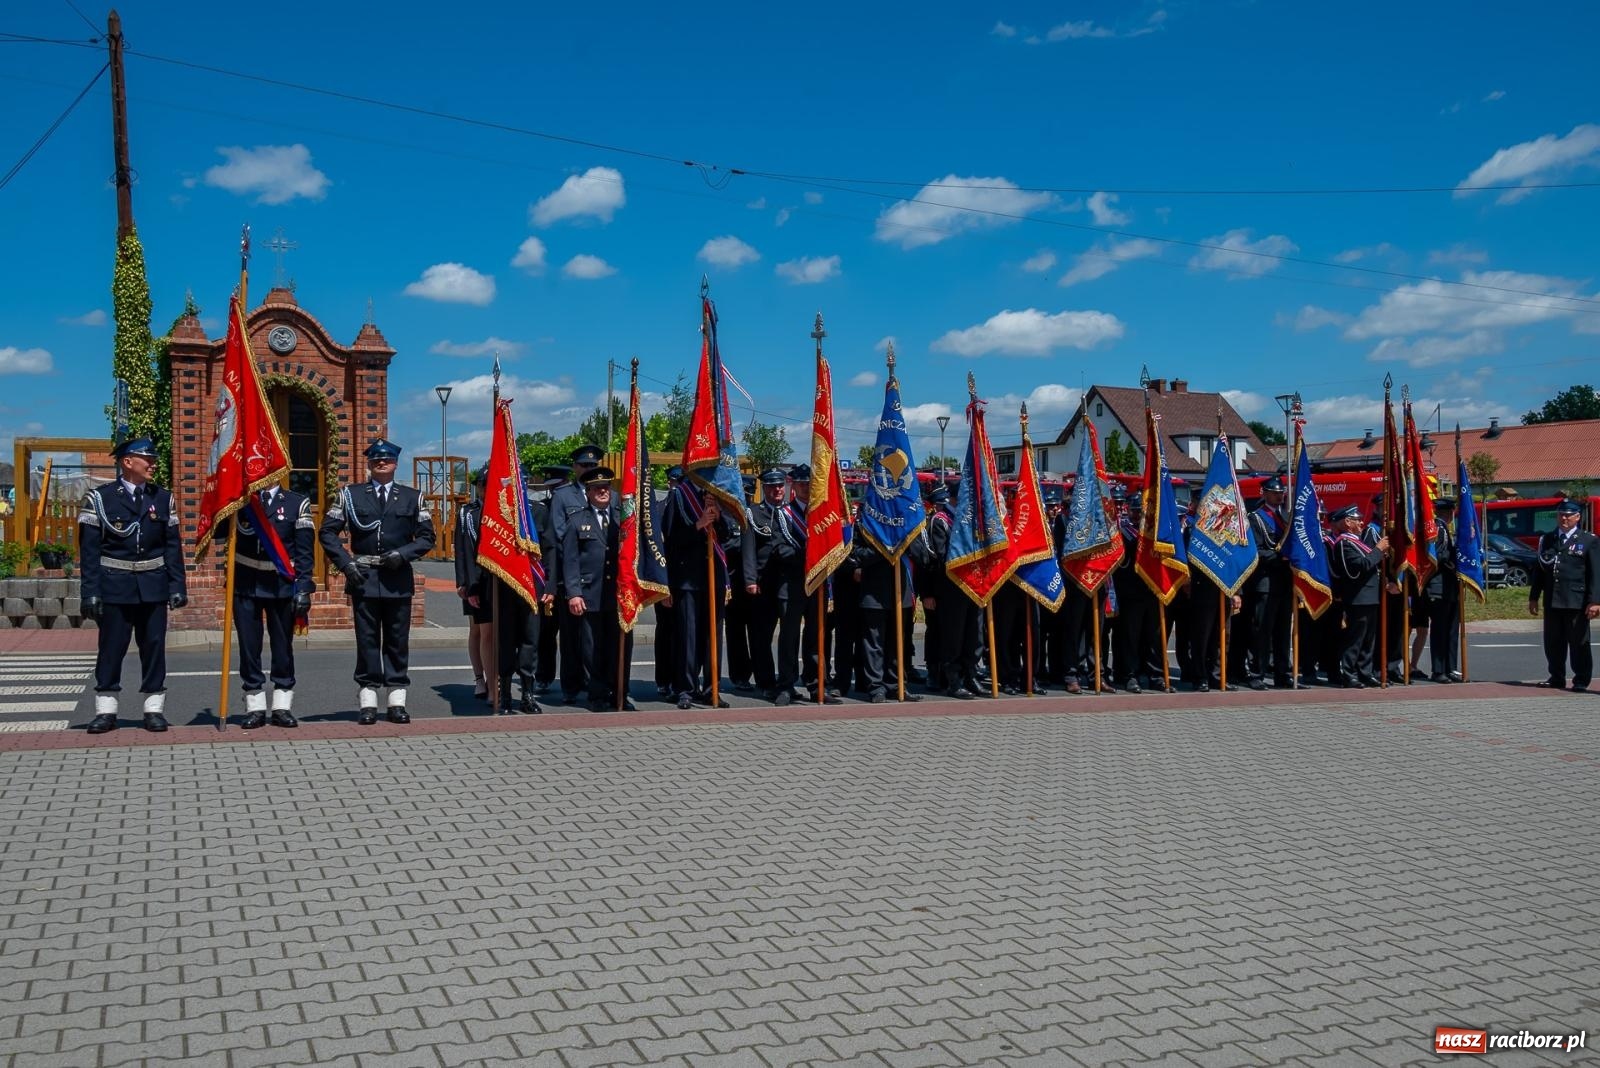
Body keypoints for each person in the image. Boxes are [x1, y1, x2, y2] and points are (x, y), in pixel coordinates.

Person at [319, 438, 436, 724]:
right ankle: (368, 700)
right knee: (367, 640)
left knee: (397, 641)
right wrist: (346, 564)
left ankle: (397, 700)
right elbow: (327, 532)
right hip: (364, 577)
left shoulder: (413, 497)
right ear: (369, 464)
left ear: (395, 464)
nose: (381, 463)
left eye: (386, 459)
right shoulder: (350, 495)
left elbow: (427, 537)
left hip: (397, 578)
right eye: (375, 460)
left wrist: (404, 554)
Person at [79, 437, 187, 734]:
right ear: (127, 462)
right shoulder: (100, 498)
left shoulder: (163, 498)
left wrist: (178, 585)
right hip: (114, 586)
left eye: (153, 459)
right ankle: (106, 709)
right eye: (147, 459)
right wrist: (89, 592)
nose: (153, 464)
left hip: (153, 586)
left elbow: (171, 547)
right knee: (111, 648)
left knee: (153, 647)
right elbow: (89, 552)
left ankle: (153, 709)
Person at [228, 479, 315, 728]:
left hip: (281, 585)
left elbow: (305, 552)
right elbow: (221, 534)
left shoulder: (296, 503)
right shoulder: (240, 501)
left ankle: (281, 706)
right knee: (248, 647)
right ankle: (254, 706)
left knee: (282, 647)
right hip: (245, 584)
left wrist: (303, 589)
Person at [562, 466, 634, 711]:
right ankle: (597, 695)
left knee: (620, 646)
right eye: (597, 488)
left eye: (606, 487)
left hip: (619, 595)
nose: (602, 492)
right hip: (589, 594)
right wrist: (573, 593)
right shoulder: (576, 521)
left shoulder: (622, 519)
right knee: (592, 649)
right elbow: (570, 560)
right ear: (588, 493)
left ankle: (620, 694)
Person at [743, 469, 808, 704]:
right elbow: (748, 548)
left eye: (780, 486)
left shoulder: (791, 514)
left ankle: (787, 680)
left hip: (786, 583)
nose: (777, 490)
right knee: (761, 636)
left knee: (789, 636)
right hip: (762, 583)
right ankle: (765, 682)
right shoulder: (754, 513)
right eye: (772, 487)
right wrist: (750, 579)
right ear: (765, 489)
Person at [1529, 499, 1600, 691]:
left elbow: (1595, 573)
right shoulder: (1547, 539)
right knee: (1553, 642)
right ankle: (1556, 677)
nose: (1564, 518)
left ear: (1578, 517)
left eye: (1569, 515)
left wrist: (1594, 601)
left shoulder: (1589, 540)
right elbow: (1540, 570)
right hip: (1553, 599)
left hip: (1576, 600)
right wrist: (1534, 597)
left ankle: (1581, 680)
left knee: (1579, 643)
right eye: (1561, 514)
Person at [551, 444, 602, 703]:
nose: (589, 470)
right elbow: (559, 535)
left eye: (593, 465)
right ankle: (571, 686)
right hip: (571, 576)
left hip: (598, 579)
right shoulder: (563, 496)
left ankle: (595, 683)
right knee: (571, 637)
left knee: (595, 638)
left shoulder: (608, 495)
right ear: (575, 467)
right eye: (584, 465)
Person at [1331, 504, 1388, 688]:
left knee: (1368, 639)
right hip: (1358, 597)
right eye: (1357, 519)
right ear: (1347, 522)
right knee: (1355, 638)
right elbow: (1357, 569)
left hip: (1370, 596)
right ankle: (1348, 673)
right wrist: (1378, 550)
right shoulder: (1344, 543)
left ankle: (1365, 672)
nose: (1361, 522)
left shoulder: (1359, 542)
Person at [1244, 476, 1292, 689]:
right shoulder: (1256, 518)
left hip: (1284, 583)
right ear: (1263, 493)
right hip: (1265, 582)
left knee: (1282, 633)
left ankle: (1282, 673)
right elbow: (1257, 552)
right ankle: (1257, 673)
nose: (1279, 496)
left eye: (1281, 492)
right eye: (1274, 493)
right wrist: (1281, 557)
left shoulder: (1286, 517)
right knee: (1262, 631)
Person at [454, 465, 492, 700]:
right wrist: (463, 582)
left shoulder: (502, 511)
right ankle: (481, 678)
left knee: (491, 632)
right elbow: (461, 548)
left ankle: (492, 679)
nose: (485, 489)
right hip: (473, 578)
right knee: (477, 631)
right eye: (482, 485)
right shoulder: (467, 513)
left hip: (495, 580)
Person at [1424, 498, 1461, 683]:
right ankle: (1438, 670)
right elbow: (1434, 557)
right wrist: (1454, 555)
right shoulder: (1438, 529)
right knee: (1440, 631)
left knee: (1452, 630)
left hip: (1450, 588)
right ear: (1449, 513)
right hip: (1438, 587)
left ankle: (1450, 667)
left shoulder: (1447, 530)